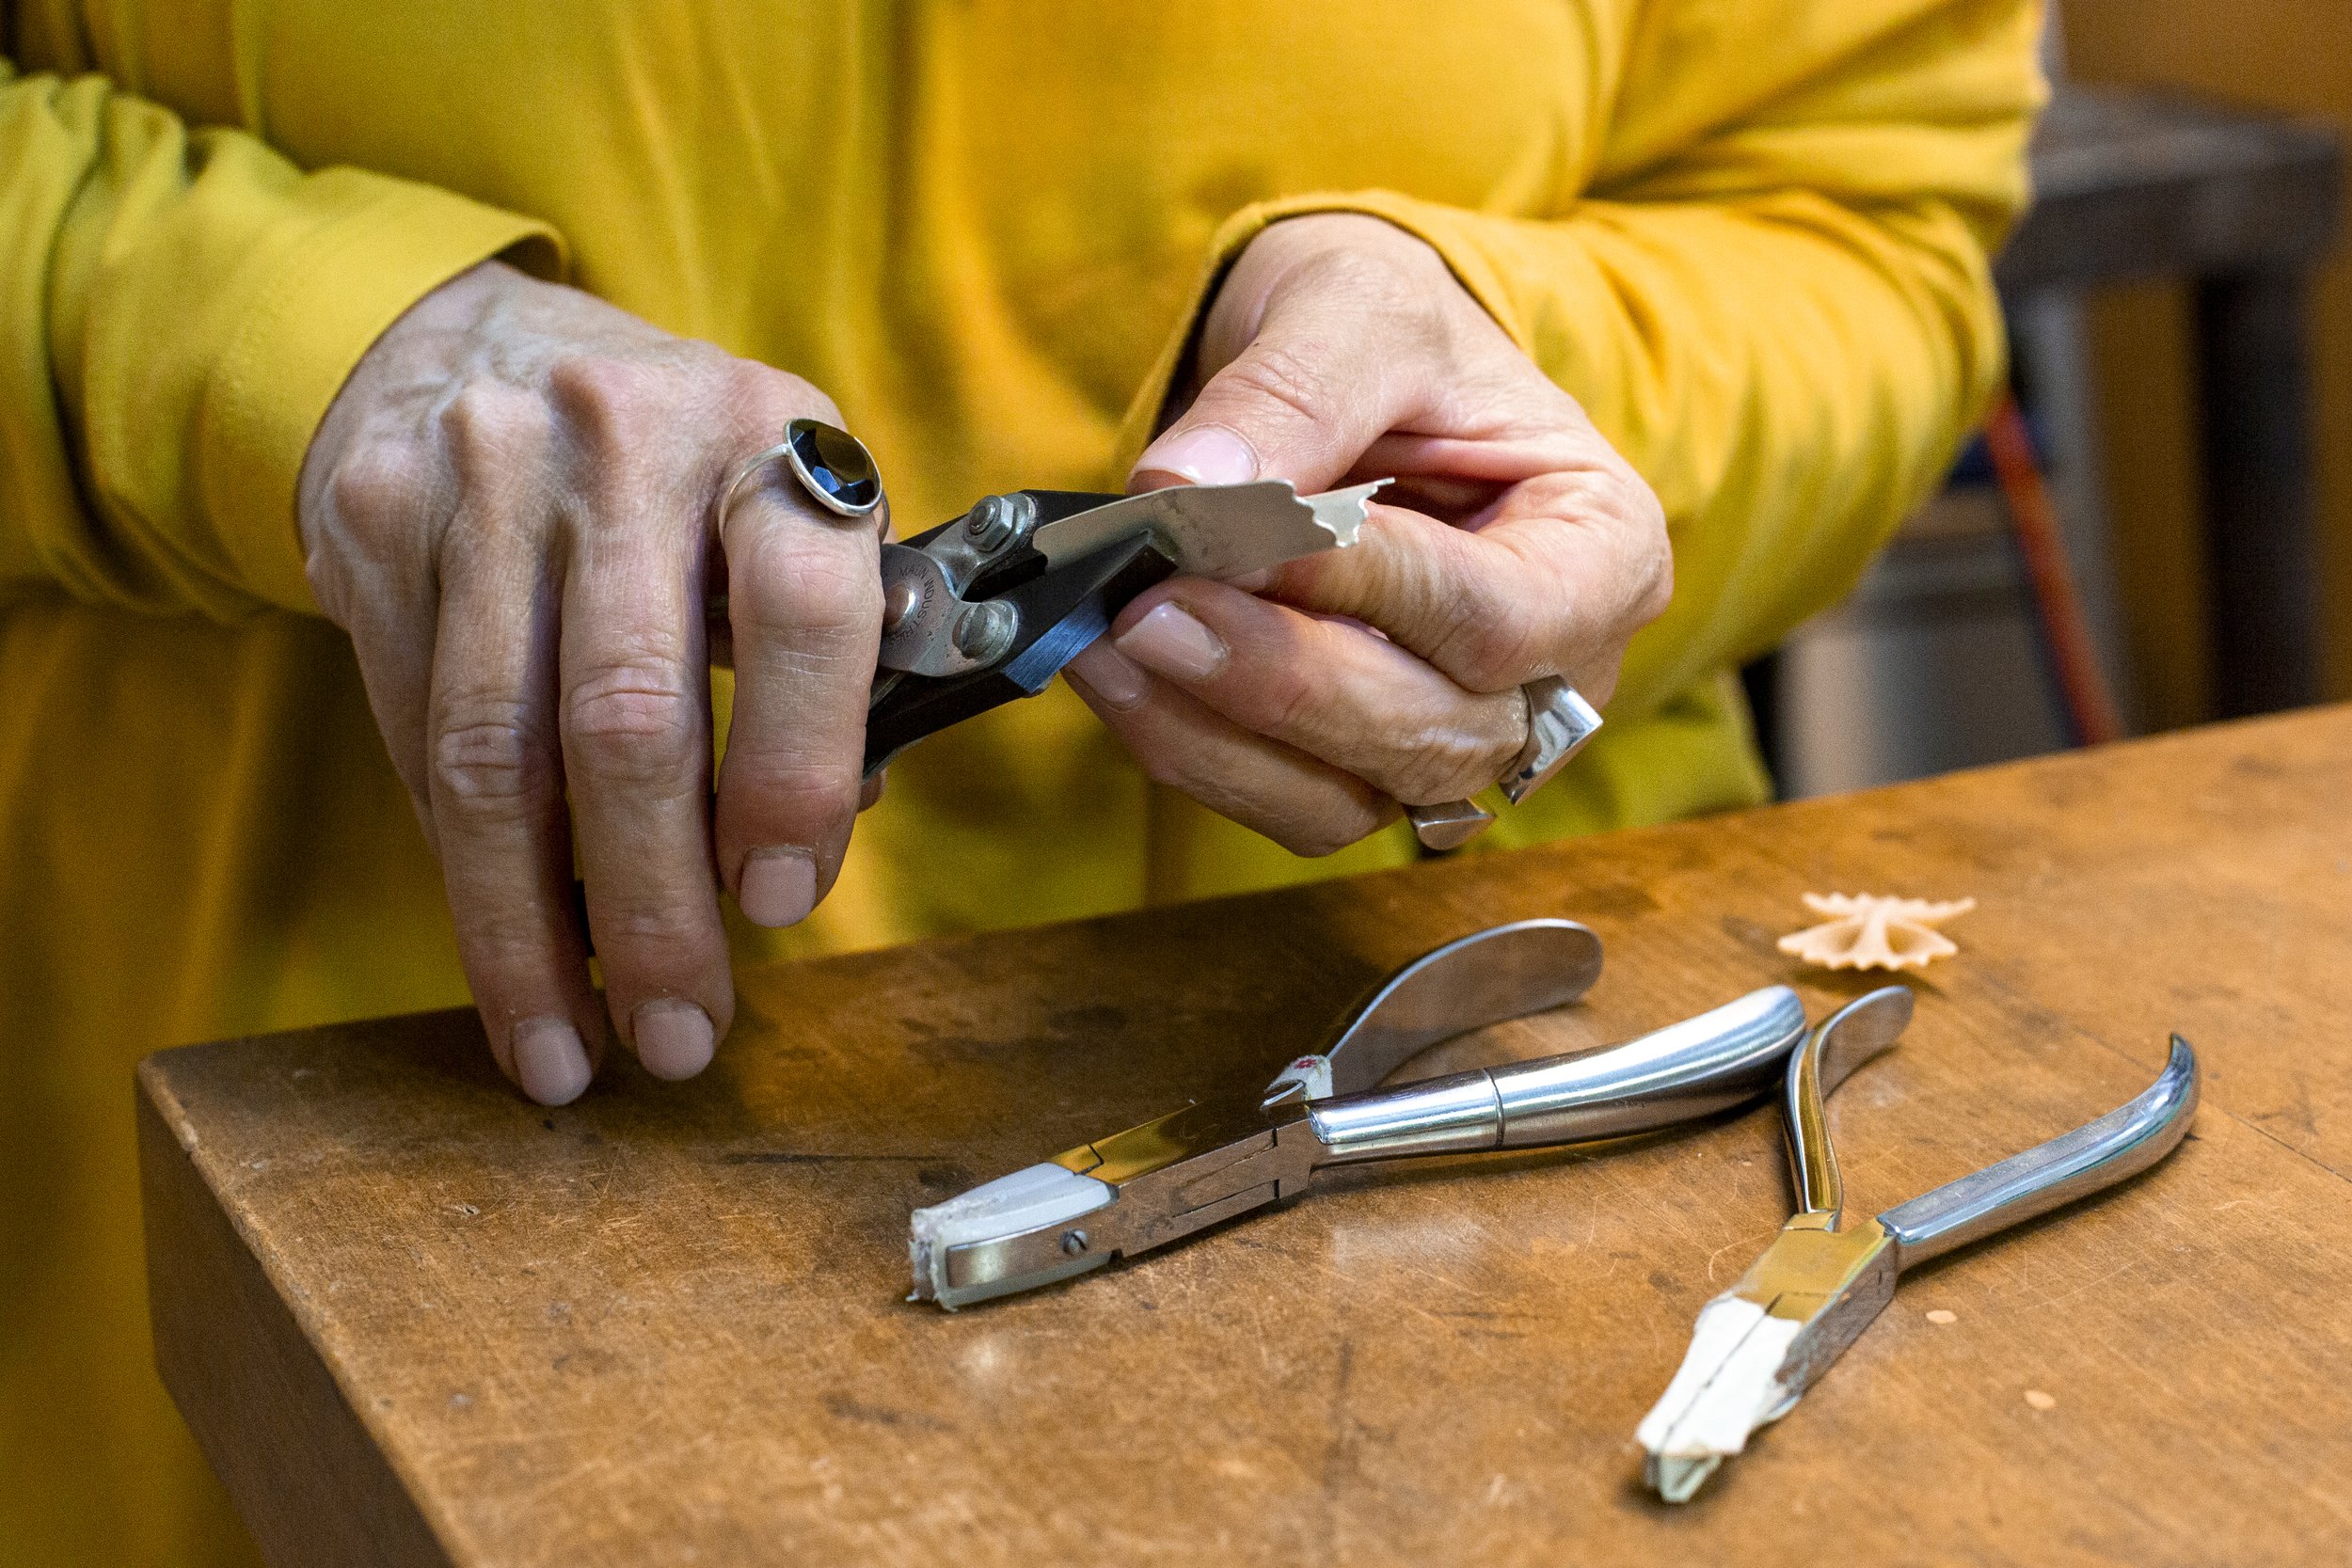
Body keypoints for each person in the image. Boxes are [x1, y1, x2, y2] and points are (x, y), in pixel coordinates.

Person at [0, 1, 2041, 1560]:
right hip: (291, 1095)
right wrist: (299, 351)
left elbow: (1859, 217)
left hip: (1466, 1168)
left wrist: (1505, 355)